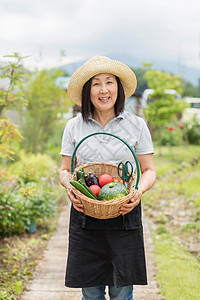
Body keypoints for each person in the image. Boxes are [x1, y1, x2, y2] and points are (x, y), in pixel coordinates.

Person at [59, 56, 156, 300]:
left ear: (118, 88)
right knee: (91, 293)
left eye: (109, 82)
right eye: (96, 84)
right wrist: (69, 188)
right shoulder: (74, 126)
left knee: (122, 293)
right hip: (85, 214)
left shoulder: (136, 125)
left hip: (124, 212)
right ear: (87, 91)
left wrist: (139, 192)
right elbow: (64, 170)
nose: (104, 90)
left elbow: (149, 170)